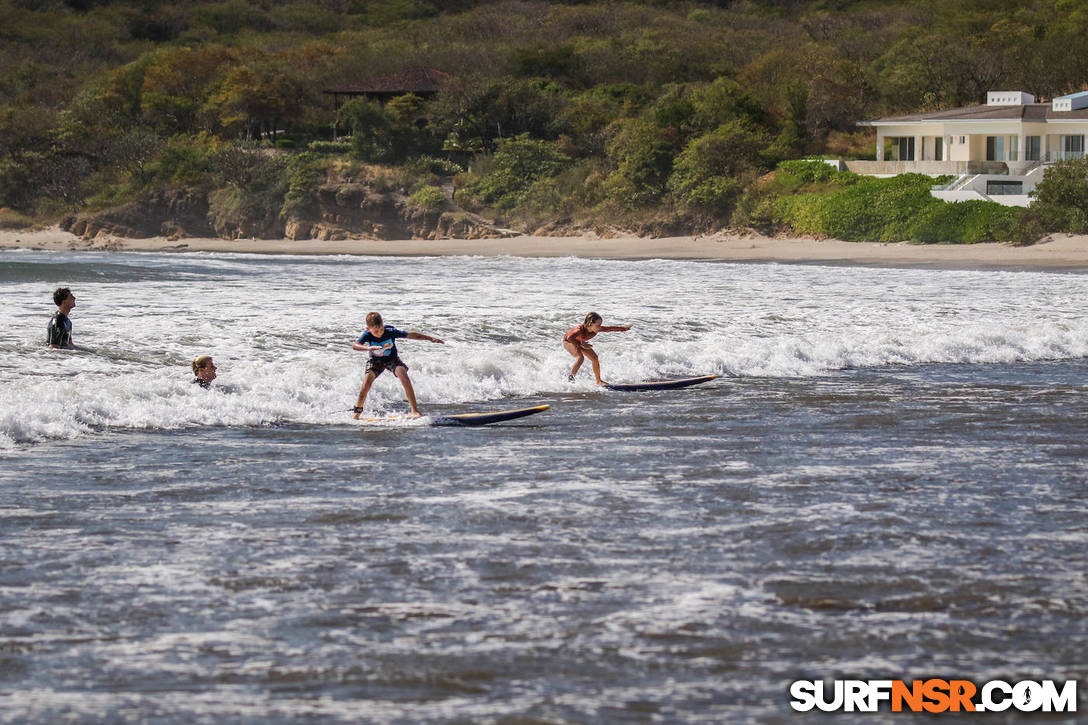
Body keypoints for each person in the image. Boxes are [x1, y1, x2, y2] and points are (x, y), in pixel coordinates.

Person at [352, 312, 444, 419]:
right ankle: (356, 415)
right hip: (375, 361)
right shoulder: (367, 335)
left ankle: (415, 411)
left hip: (392, 359)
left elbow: (411, 335)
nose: (380, 333)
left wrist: (430, 338)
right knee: (366, 385)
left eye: (381, 329)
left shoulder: (390, 332)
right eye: (376, 331)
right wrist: (368, 348)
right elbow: (355, 346)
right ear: (368, 329)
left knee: (403, 375)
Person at [563, 312, 631, 385]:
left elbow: (610, 328)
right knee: (580, 358)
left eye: (600, 325)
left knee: (595, 358)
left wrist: (623, 328)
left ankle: (599, 381)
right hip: (568, 342)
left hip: (580, 342)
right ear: (590, 324)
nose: (599, 327)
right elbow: (569, 338)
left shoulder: (596, 329)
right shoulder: (579, 330)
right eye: (598, 325)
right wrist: (581, 344)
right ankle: (571, 379)